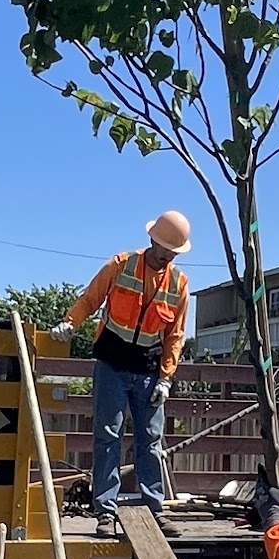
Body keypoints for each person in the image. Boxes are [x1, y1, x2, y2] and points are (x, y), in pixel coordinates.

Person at [54, 211, 192, 538]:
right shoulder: (121, 265)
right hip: (112, 363)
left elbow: (175, 335)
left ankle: (155, 510)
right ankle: (105, 512)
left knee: (151, 442)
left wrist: (166, 378)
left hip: (148, 369)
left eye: (173, 251)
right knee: (107, 437)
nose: (167, 255)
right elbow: (90, 299)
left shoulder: (179, 285)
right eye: (163, 248)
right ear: (152, 240)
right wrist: (71, 323)